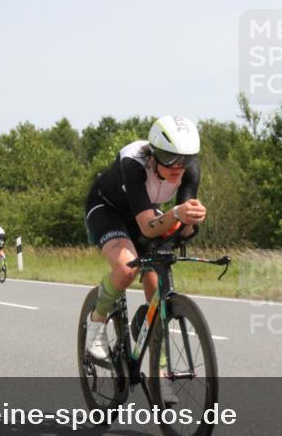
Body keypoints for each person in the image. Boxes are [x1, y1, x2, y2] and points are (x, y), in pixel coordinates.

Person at [83, 115, 206, 361]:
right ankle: (96, 322)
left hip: (144, 211)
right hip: (107, 209)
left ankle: (155, 349)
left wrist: (192, 220)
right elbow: (148, 228)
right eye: (169, 157)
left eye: (185, 159)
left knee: (157, 275)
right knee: (126, 269)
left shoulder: (190, 170)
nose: (178, 166)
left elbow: (182, 226)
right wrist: (177, 214)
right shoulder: (134, 163)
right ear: (154, 152)